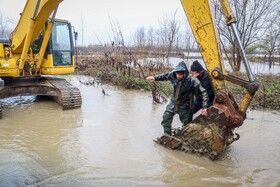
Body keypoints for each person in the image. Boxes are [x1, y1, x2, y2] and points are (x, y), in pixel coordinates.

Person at [146, 61, 208, 135]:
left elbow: (203, 92)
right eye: (177, 74)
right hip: (173, 104)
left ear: (184, 73)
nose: (178, 76)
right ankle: (167, 135)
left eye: (180, 74)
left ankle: (183, 138)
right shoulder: (173, 75)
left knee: (186, 127)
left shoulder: (192, 80)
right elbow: (165, 76)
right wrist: (155, 78)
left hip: (185, 106)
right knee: (166, 119)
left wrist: (205, 107)